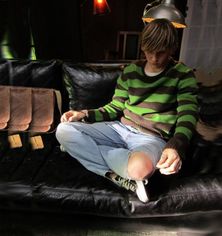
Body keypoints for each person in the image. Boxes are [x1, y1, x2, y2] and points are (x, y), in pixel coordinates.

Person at [56, 18, 198, 203]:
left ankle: (83, 150)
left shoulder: (183, 74)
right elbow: (115, 107)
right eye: (149, 51)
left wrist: (175, 146)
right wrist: (84, 114)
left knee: (139, 169)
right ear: (143, 47)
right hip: (119, 130)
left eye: (161, 53)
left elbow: (188, 116)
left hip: (152, 137)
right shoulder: (131, 71)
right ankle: (114, 175)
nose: (154, 58)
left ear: (173, 48)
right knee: (64, 130)